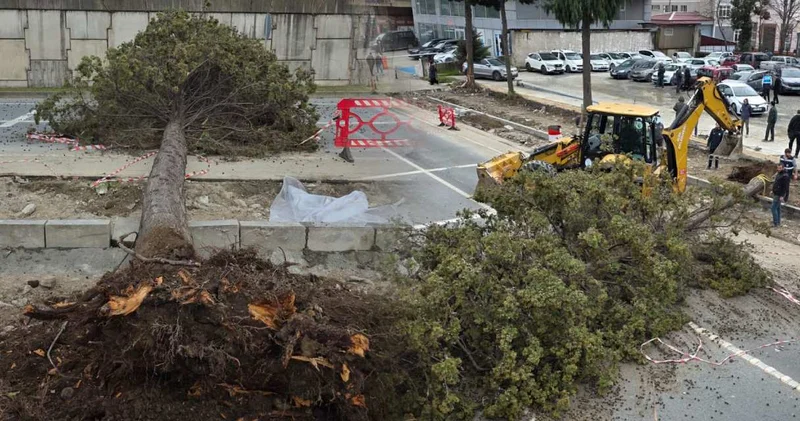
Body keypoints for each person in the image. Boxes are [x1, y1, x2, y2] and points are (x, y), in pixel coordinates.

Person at [772, 163, 791, 227]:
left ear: (783, 168)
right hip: (776, 193)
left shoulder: (785, 176)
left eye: (780, 168)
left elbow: (785, 187)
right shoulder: (779, 174)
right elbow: (776, 183)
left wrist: (782, 196)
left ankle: (775, 223)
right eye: (778, 168)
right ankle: (778, 222)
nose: (778, 169)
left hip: (779, 194)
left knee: (773, 208)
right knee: (777, 208)